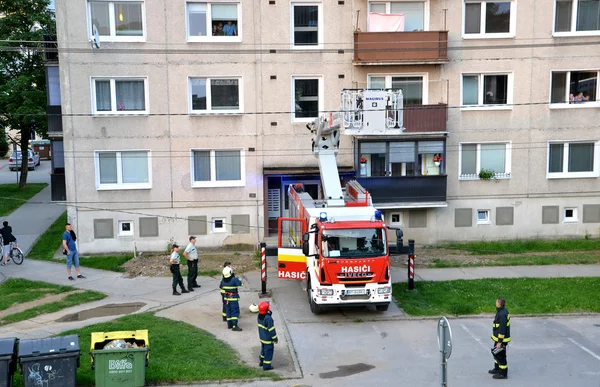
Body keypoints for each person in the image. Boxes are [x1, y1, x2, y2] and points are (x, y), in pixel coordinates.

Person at [489, 297, 511, 379]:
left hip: (501, 340)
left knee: (501, 355)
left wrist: (499, 342)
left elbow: (502, 329)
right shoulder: (502, 311)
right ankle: (497, 368)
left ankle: (503, 373)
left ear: (499, 304)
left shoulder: (502, 314)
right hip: (498, 339)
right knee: (496, 353)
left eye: (496, 302)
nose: (495, 303)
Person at [220, 266, 243, 331]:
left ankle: (229, 325)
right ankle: (234, 326)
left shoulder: (222, 280)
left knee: (228, 311)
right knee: (235, 312)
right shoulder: (234, 279)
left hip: (226, 299)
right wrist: (240, 279)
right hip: (233, 299)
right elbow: (241, 284)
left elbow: (221, 287)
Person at [257, 301, 278, 371]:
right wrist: (275, 339)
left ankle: (262, 361)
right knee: (268, 352)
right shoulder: (268, 319)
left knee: (263, 350)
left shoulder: (259, 316)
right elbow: (272, 330)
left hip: (262, 338)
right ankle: (266, 366)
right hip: (268, 339)